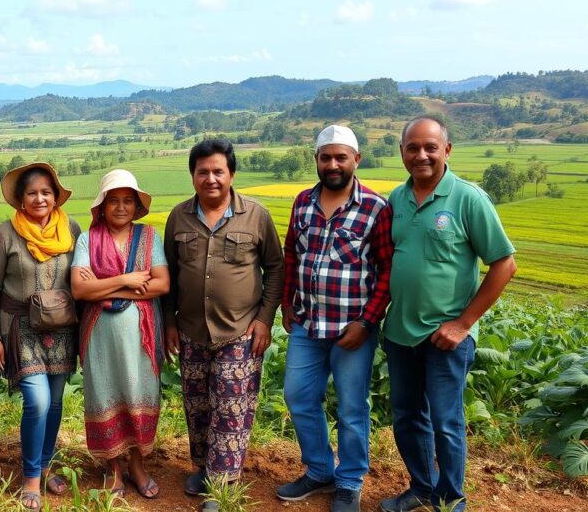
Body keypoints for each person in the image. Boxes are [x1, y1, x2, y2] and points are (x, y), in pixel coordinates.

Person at [380, 116, 517, 512]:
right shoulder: (397, 199)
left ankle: (451, 498)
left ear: (447, 150)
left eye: (430, 147)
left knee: (446, 422)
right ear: (402, 152)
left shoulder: (468, 198)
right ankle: (422, 488)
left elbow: (505, 265)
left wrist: (462, 324)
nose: (421, 155)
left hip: (446, 338)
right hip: (401, 333)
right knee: (407, 417)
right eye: (412, 148)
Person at [276, 125, 393, 512]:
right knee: (298, 395)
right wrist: (287, 301)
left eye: (341, 156)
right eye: (325, 157)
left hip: (351, 330)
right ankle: (320, 469)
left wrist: (367, 322)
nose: (333, 164)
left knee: (352, 407)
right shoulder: (303, 202)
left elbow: (387, 270)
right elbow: (292, 252)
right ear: (316, 160)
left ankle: (349, 479)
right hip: (308, 324)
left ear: (356, 160)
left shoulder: (376, 208)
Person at [163, 138, 283, 510]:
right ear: (192, 176)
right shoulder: (178, 217)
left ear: (231, 174)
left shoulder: (256, 215)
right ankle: (203, 467)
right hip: (191, 331)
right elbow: (168, 273)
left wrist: (264, 320)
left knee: (231, 409)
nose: (211, 178)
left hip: (240, 331)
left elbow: (276, 268)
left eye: (218, 171)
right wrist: (169, 322)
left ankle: (220, 486)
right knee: (198, 406)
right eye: (203, 172)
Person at [0, 162, 81, 511]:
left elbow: (81, 278)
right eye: (32, 193)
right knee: (37, 401)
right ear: (20, 200)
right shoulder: (6, 234)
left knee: (55, 403)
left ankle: (46, 464)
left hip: (62, 329)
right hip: (20, 327)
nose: (39, 198)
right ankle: (30, 478)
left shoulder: (71, 229)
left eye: (46, 192)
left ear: (55, 196)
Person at [71, 169, 169, 499]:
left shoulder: (149, 237)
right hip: (99, 338)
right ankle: (113, 468)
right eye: (114, 200)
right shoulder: (87, 239)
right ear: (102, 205)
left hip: (141, 337)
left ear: (136, 205)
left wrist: (105, 287)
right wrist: (127, 281)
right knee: (104, 394)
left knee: (139, 392)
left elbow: (162, 283)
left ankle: (137, 466)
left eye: (128, 200)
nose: (121, 207)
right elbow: (80, 289)